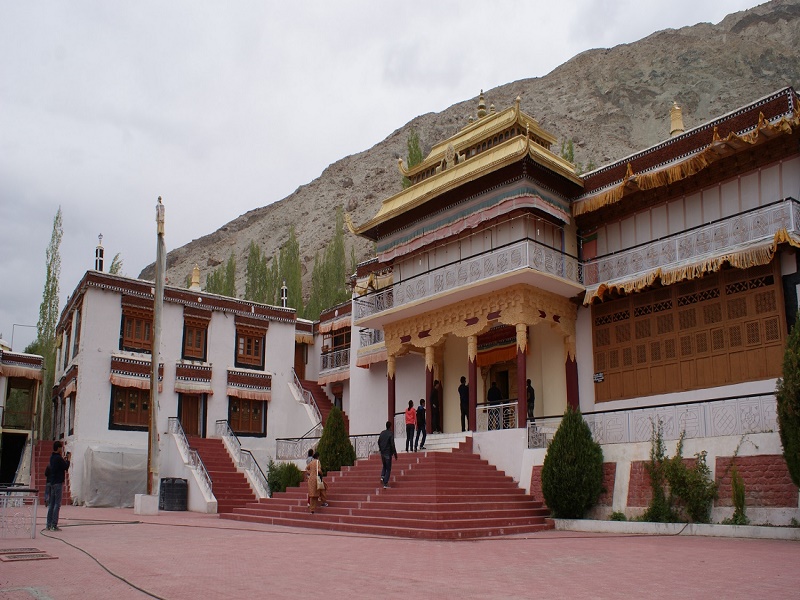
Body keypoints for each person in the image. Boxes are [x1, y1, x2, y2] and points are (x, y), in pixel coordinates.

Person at [46, 440, 70, 531]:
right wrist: (68, 460)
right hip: (58, 483)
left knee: (51, 504)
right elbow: (65, 467)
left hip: (52, 482)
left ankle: (48, 524)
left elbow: (59, 466)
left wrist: (63, 460)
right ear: (59, 448)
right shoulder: (58, 458)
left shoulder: (52, 457)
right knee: (57, 504)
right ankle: (54, 524)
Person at [378, 420, 397, 488]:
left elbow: (379, 441)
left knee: (384, 465)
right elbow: (392, 444)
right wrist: (395, 453)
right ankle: (385, 483)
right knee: (388, 468)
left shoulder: (382, 433)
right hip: (388, 453)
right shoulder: (390, 433)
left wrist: (380, 449)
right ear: (390, 426)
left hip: (382, 453)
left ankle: (382, 476)